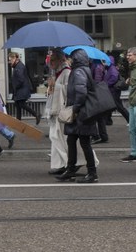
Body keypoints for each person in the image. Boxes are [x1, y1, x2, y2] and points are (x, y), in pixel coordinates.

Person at [58, 48, 98, 183]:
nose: (69, 60)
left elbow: (81, 92)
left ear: (75, 59)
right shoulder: (82, 70)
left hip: (81, 113)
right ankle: (70, 169)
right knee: (71, 140)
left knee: (85, 142)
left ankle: (92, 173)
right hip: (81, 112)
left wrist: (75, 108)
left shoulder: (79, 71)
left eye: (71, 58)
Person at [45, 50, 71, 175]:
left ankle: (67, 163)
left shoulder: (67, 72)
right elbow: (52, 93)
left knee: (58, 138)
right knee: (55, 137)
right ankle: (61, 164)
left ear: (61, 60)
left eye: (53, 60)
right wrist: (51, 86)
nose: (51, 63)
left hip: (62, 111)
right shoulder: (58, 73)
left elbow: (68, 90)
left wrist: (55, 86)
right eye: (51, 60)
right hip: (56, 110)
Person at [8, 51, 40, 124]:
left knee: (22, 104)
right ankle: (18, 122)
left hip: (21, 90)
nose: (9, 62)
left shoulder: (19, 66)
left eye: (10, 60)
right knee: (17, 104)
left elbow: (21, 80)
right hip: (20, 90)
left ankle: (36, 114)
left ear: (15, 58)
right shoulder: (17, 66)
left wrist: (16, 87)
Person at [105, 55, 129, 125]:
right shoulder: (110, 68)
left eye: (106, 61)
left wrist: (107, 84)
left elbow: (114, 78)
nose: (105, 63)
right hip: (112, 91)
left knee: (119, 107)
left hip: (114, 91)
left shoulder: (112, 69)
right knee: (109, 106)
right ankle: (108, 121)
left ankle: (129, 119)